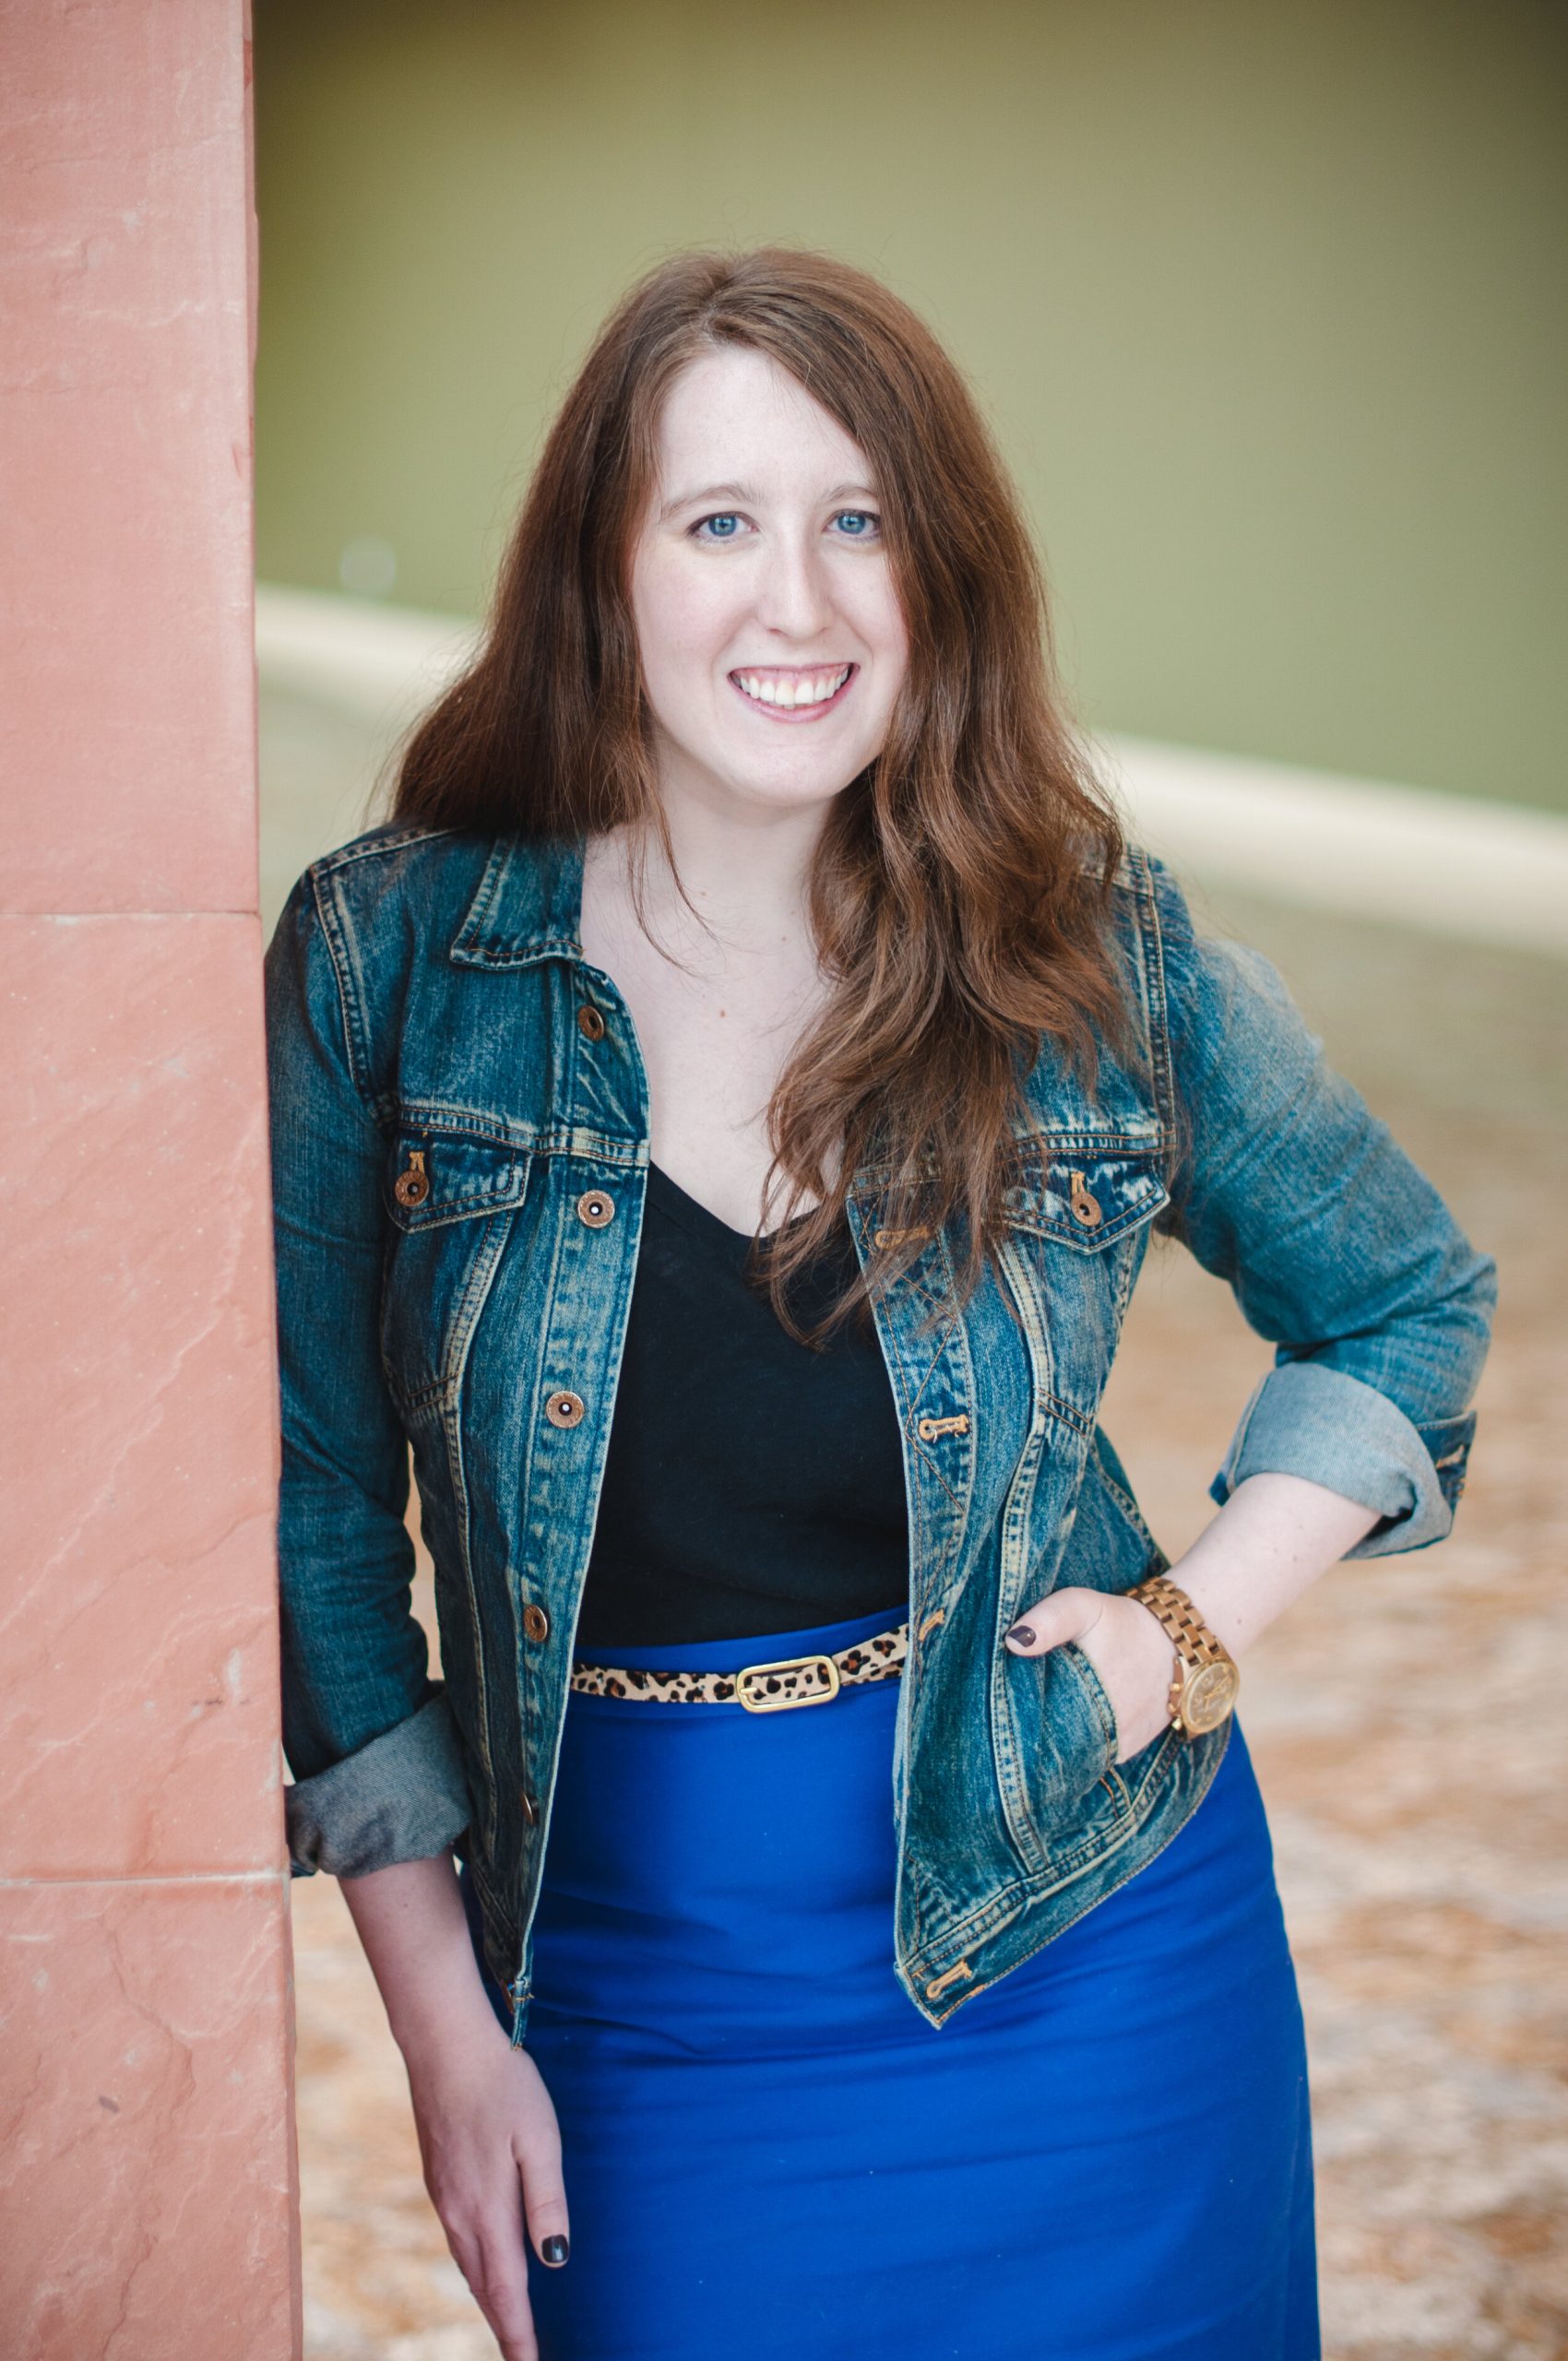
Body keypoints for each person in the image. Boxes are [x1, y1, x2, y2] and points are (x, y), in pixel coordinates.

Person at [266, 248, 1495, 2361]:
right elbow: (308, 1516)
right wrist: (444, 2033)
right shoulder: (393, 964)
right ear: (602, 567)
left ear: (943, 572)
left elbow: (1404, 1303)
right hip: (636, 1988)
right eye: (720, 521)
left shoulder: (1088, 949)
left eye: (859, 522)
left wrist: (1185, 1628)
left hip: (1091, 1943)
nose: (802, 601)